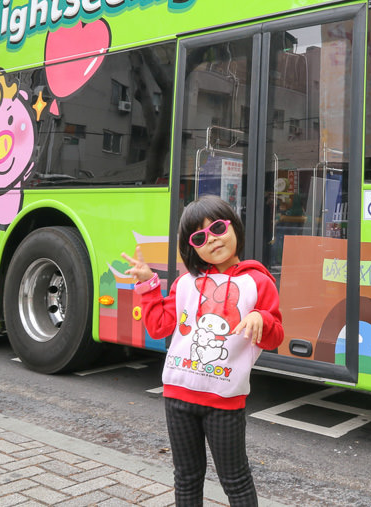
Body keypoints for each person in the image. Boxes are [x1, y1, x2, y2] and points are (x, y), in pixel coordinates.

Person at [123, 195, 284, 507]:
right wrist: (148, 285)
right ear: (191, 247)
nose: (212, 240)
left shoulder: (258, 282)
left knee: (235, 480)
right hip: (177, 396)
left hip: (224, 400)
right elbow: (158, 327)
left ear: (235, 227)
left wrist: (260, 318)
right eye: (200, 237)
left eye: (219, 228)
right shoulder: (186, 282)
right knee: (186, 477)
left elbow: (274, 337)